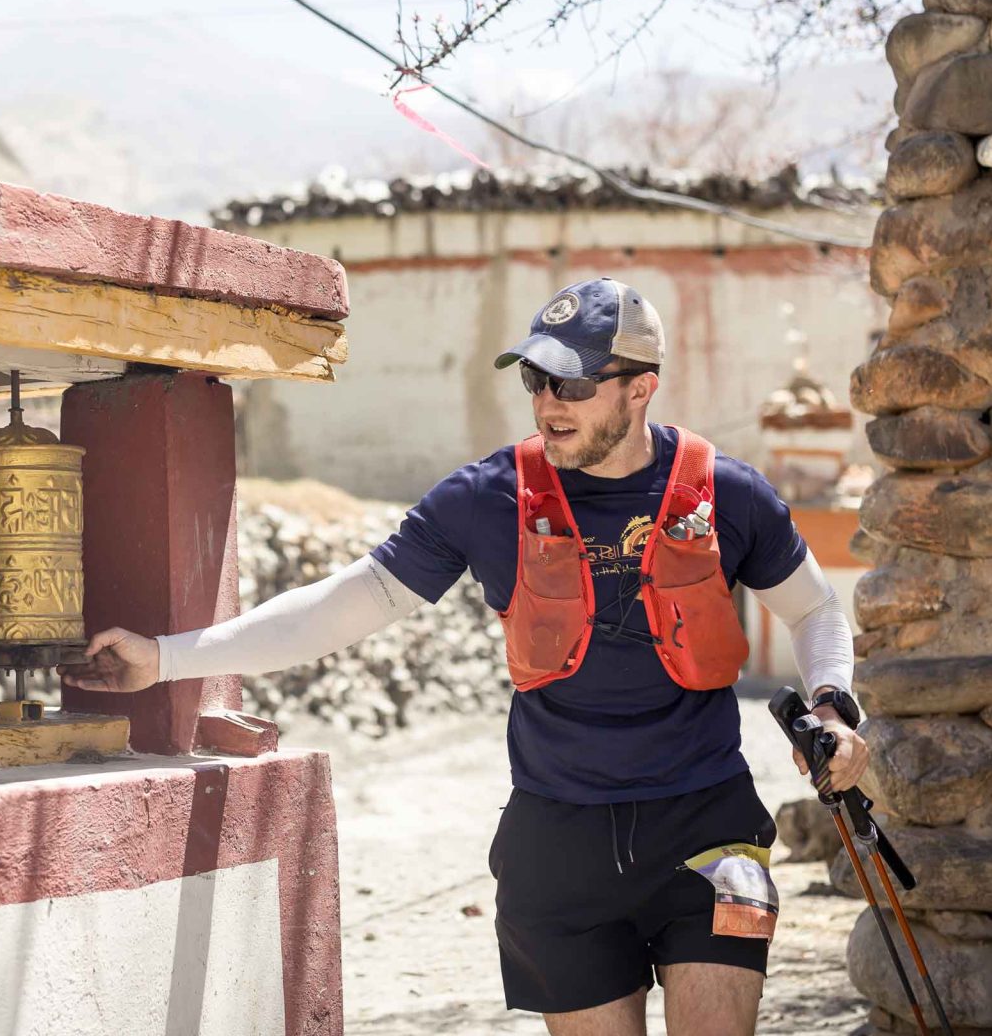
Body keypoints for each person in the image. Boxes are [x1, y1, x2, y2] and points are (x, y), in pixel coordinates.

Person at [60, 277, 869, 1036]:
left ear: (640, 387)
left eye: (574, 386)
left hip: (707, 826)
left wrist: (831, 705)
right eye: (536, 381)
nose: (549, 404)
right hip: (558, 841)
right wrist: (164, 658)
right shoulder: (487, 498)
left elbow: (814, 611)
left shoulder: (728, 494)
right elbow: (338, 609)